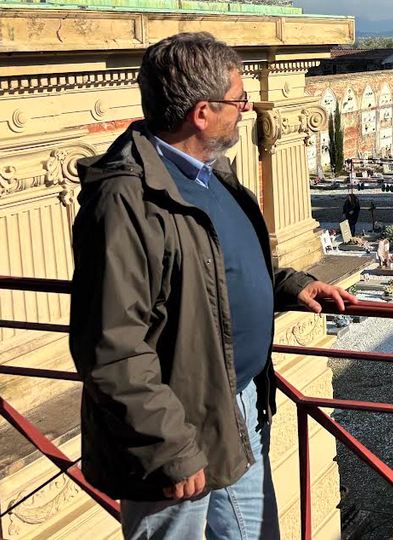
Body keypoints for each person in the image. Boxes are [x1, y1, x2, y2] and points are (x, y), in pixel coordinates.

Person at [68, 32, 356, 540]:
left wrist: (290, 286)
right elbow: (111, 348)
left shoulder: (208, 171)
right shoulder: (125, 202)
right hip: (174, 423)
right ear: (202, 113)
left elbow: (216, 265)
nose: (245, 109)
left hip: (236, 402)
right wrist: (168, 447)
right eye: (239, 99)